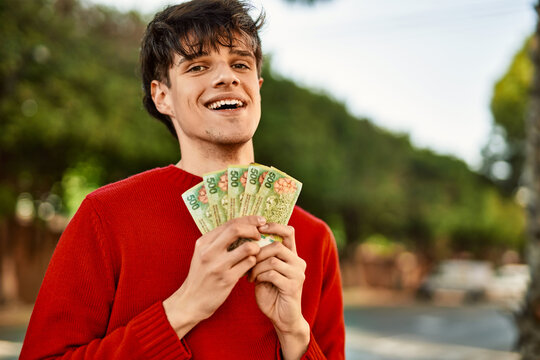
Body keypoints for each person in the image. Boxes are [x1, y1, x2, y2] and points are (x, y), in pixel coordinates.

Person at [20, 0, 345, 358]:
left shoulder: (313, 239)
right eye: (198, 66)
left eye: (241, 64)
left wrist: (295, 333)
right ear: (162, 96)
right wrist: (183, 308)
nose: (227, 77)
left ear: (258, 86)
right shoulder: (106, 215)